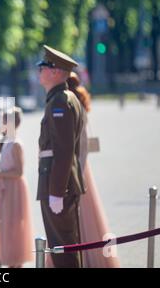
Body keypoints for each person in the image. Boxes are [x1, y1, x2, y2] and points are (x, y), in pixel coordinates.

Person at [36, 45, 85, 268]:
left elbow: (63, 151)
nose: (39, 71)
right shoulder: (60, 98)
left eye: (43, 66)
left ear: (55, 72)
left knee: (63, 248)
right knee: (63, 245)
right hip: (58, 183)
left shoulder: (60, 102)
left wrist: (56, 191)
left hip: (58, 186)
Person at [67, 72, 120, 268]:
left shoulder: (75, 107)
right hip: (76, 165)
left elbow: (81, 144)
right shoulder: (72, 104)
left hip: (78, 166)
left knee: (83, 214)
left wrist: (78, 172)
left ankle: (87, 258)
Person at [0, 107, 34, 268]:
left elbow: (18, 171)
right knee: (4, 224)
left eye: (4, 121)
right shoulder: (5, 142)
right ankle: (9, 260)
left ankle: (15, 262)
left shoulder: (16, 144)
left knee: (14, 224)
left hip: (14, 188)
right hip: (5, 187)